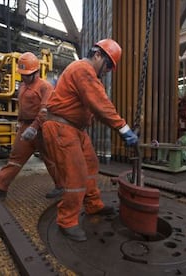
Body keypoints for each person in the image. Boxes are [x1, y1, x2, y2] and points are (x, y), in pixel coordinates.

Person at [41, 39, 138, 241]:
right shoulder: (83, 69)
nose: (108, 71)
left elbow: (95, 109)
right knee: (76, 175)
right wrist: (123, 128)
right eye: (109, 65)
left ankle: (93, 205)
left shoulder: (85, 72)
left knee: (91, 164)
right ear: (97, 55)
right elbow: (101, 104)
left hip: (75, 129)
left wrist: (115, 125)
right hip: (62, 128)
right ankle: (67, 221)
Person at [0, 52, 63, 200]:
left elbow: (45, 110)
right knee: (14, 158)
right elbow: (22, 107)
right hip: (26, 126)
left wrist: (34, 127)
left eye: (27, 74)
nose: (24, 77)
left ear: (36, 72)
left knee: (50, 159)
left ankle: (61, 186)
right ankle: (0, 188)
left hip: (42, 128)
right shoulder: (23, 87)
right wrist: (20, 124)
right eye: (22, 74)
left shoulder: (45, 87)